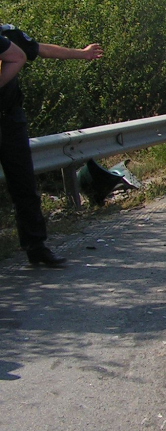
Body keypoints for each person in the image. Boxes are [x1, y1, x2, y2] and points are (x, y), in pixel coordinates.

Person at [0, 25, 103, 266]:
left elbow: (41, 50)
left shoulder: (8, 35)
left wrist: (82, 53)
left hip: (9, 120)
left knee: (24, 186)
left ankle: (36, 248)